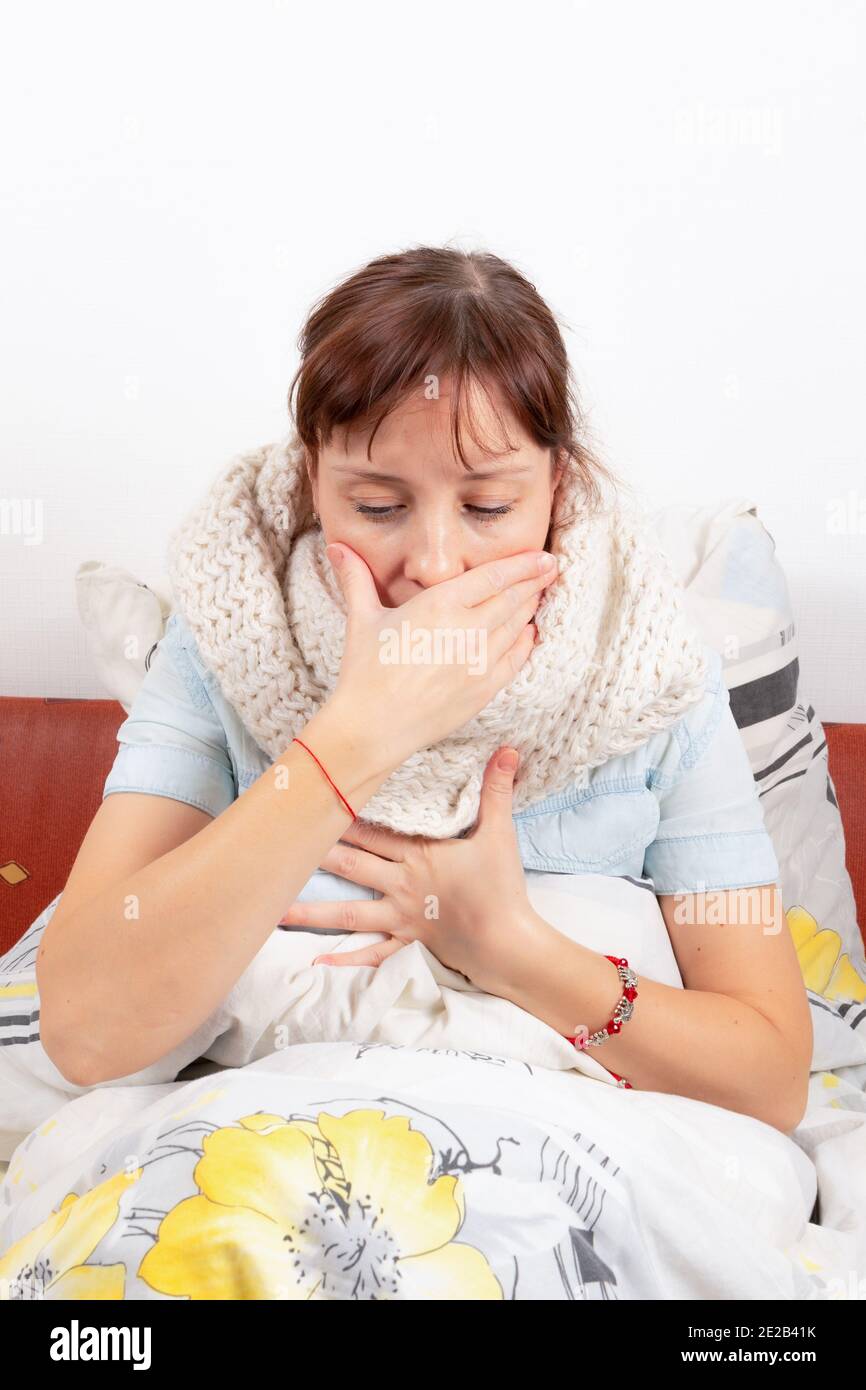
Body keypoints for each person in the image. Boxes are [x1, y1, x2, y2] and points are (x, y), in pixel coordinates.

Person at [35, 246, 811, 1132]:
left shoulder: (654, 671)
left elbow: (769, 1080)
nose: (435, 565)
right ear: (311, 482)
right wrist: (357, 738)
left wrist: (508, 947)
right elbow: (85, 1030)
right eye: (375, 506)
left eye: (487, 509)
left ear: (557, 486)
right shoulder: (225, 639)